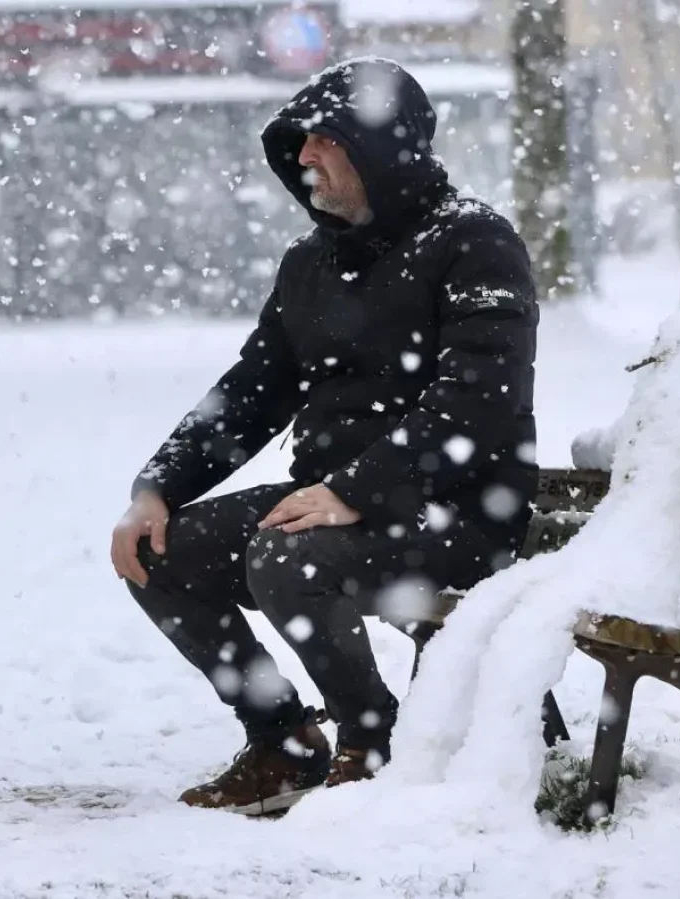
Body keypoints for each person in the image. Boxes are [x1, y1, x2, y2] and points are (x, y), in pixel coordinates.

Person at [109, 58, 539, 816]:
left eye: (324, 139)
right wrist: (158, 486)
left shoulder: (475, 242)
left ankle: (374, 744)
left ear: (379, 148)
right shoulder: (311, 263)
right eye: (298, 141)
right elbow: (251, 391)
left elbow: (479, 404)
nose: (303, 155)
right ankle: (283, 739)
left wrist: (355, 490)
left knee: (287, 552)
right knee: (157, 551)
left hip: (460, 513)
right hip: (333, 505)